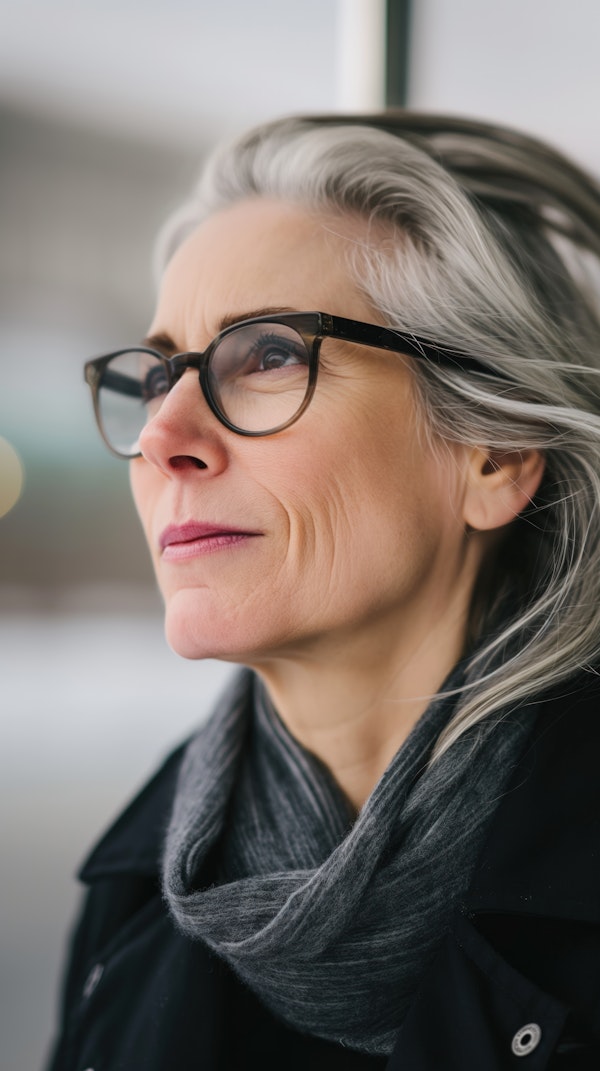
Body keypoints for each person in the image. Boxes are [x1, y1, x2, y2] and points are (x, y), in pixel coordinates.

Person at [47, 112, 600, 1070]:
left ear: (495, 453)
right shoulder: (130, 893)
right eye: (157, 375)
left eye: (267, 355)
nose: (165, 434)